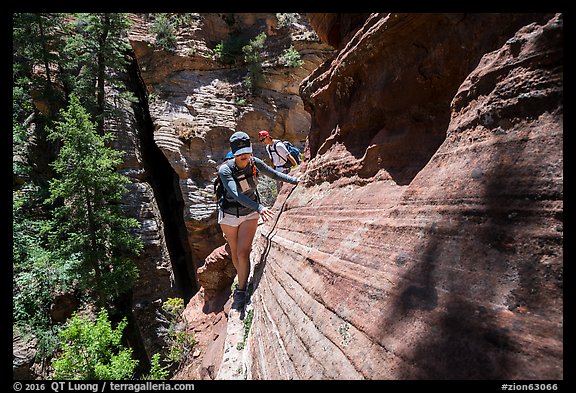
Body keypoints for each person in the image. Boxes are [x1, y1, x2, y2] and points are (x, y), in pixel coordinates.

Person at [218, 131, 299, 310]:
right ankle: (241, 276)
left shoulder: (254, 163)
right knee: (234, 251)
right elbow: (236, 194)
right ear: (234, 153)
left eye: (247, 153)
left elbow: (275, 175)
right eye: (240, 154)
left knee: (243, 252)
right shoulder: (225, 170)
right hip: (229, 215)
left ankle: (241, 290)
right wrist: (260, 207)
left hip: (249, 213)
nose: (245, 157)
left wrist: (294, 180)